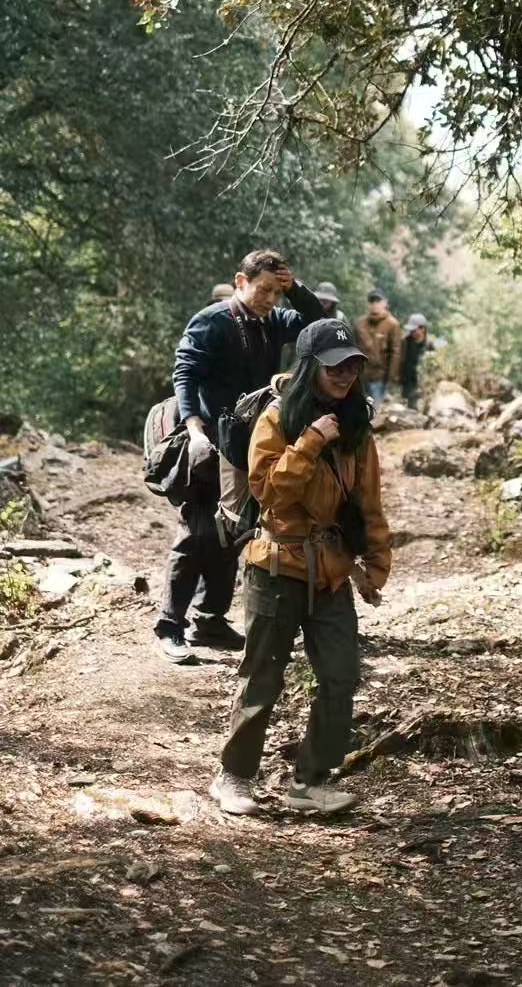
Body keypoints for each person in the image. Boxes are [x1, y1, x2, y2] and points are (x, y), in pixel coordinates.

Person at [210, 318, 391, 816]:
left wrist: (377, 563)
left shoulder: (357, 426)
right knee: (262, 676)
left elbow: (370, 501)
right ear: (311, 366)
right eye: (336, 366)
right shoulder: (276, 419)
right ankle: (235, 777)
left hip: (330, 571)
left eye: (353, 365)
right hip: (275, 563)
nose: (346, 374)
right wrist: (310, 441)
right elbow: (268, 491)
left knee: (340, 675)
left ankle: (311, 780)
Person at [154, 250, 325, 665]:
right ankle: (170, 625)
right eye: (263, 289)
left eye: (275, 291)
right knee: (197, 529)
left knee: (236, 529)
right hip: (208, 438)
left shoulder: (275, 321)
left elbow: (319, 326)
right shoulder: (212, 321)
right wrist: (194, 430)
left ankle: (209, 619)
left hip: (251, 440)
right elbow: (185, 376)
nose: (269, 298)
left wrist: (295, 288)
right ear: (240, 281)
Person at [354, 290, 402, 405]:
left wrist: (391, 380)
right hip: (359, 377)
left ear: (385, 303)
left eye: (378, 301)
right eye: (372, 301)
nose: (375, 304)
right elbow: (352, 348)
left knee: (376, 412)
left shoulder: (392, 324)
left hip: (379, 378)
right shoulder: (359, 324)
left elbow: (396, 353)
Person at [401, 313, 432, 411]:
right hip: (408, 382)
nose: (412, 332)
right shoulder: (405, 342)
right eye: (411, 330)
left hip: (425, 383)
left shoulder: (431, 344)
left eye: (414, 330)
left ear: (422, 328)